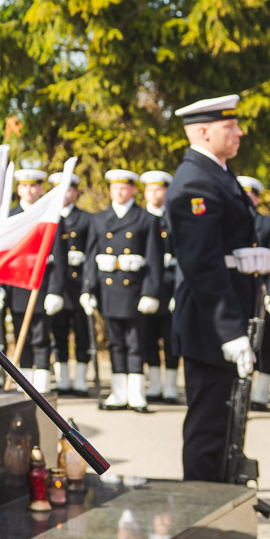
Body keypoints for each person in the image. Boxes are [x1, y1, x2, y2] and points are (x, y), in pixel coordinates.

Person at [165, 94, 259, 479]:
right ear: (203, 132)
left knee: (226, 430)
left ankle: (228, 530)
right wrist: (230, 331)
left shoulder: (215, 173)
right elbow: (202, 265)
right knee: (209, 431)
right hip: (211, 324)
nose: (238, 132)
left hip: (225, 317)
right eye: (229, 126)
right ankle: (207, 533)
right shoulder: (195, 183)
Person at [85, 169, 163, 412]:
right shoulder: (99, 220)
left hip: (135, 291)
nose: (119, 192)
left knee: (135, 342)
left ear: (132, 190)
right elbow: (90, 258)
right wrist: (88, 289)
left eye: (124, 187)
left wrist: (151, 292)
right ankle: (118, 392)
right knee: (115, 343)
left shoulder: (146, 219)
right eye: (114, 187)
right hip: (110, 291)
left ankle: (136, 393)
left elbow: (154, 260)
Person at [43, 171, 94, 396]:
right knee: (59, 333)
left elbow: (92, 252)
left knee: (82, 333)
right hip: (56, 286)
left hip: (78, 285)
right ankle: (63, 378)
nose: (65, 194)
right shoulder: (48, 217)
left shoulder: (85, 219)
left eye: (69, 190)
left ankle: (81, 379)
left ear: (75, 193)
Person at [5, 169, 55, 391]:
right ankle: (24, 380)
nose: (29, 189)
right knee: (20, 336)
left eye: (34, 185)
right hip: (17, 285)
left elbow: (59, 257)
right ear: (18, 189)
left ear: (41, 189)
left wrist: (56, 291)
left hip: (42, 286)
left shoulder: (50, 214)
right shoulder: (11, 216)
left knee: (41, 336)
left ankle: (42, 381)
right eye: (24, 186)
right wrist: (0, 288)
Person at [238, 175, 270, 411]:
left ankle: (261, 393)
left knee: (263, 342)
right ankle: (240, 391)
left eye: (250, 194)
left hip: (261, 289)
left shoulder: (269, 224)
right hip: (237, 291)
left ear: (257, 197)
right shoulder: (230, 222)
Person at [139, 170, 180, 404]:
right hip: (145, 287)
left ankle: (171, 385)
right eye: (151, 189)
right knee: (148, 337)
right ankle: (154, 383)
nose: (155, 193)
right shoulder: (140, 218)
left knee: (171, 338)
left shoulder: (174, 218)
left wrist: (179, 290)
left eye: (159, 189)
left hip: (171, 286)